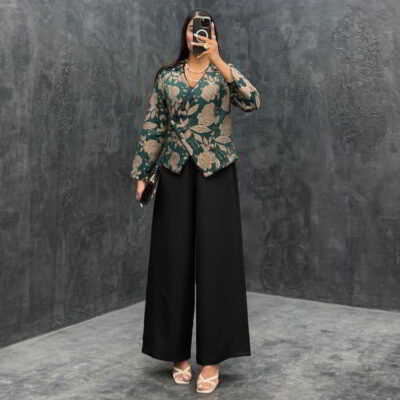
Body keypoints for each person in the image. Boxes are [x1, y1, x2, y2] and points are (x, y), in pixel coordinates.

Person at [131, 9, 260, 394]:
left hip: (215, 171)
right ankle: (176, 353)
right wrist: (142, 172)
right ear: (184, 34)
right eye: (192, 28)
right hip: (173, 171)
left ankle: (213, 358)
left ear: (214, 35)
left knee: (217, 263)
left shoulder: (223, 73)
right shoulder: (167, 76)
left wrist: (219, 59)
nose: (197, 34)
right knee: (172, 261)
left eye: (205, 29)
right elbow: (154, 123)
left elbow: (252, 100)